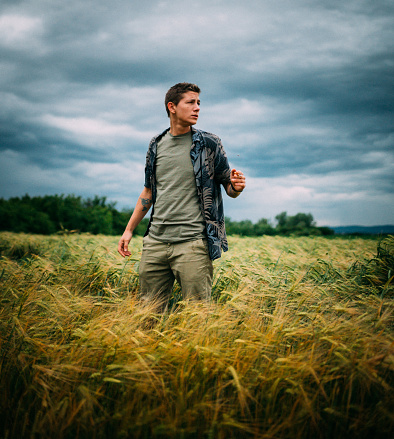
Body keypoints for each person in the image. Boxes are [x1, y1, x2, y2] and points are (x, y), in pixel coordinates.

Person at [118, 82, 245, 311]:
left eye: (199, 103)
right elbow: (148, 192)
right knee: (147, 314)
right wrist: (129, 230)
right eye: (191, 102)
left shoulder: (209, 143)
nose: (197, 108)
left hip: (193, 244)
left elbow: (229, 187)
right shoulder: (156, 145)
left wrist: (236, 186)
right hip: (155, 243)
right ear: (172, 107)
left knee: (198, 317)